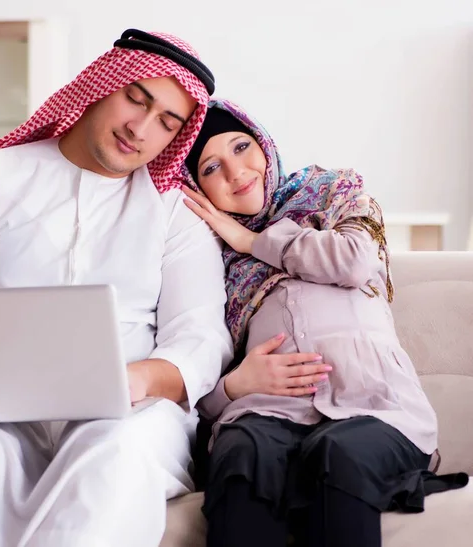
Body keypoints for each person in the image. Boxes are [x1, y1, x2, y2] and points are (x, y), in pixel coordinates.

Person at [0, 29, 234, 547]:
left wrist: (135, 380)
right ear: (100, 86)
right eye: (135, 98)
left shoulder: (175, 216)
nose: (140, 128)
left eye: (167, 122)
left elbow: (202, 340)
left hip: (128, 417)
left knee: (115, 452)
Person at [182, 100, 468, 547]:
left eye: (241, 147)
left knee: (338, 452)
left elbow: (354, 262)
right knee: (241, 451)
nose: (236, 172)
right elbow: (196, 366)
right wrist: (235, 386)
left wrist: (253, 240)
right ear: (197, 187)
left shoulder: (334, 194)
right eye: (211, 167)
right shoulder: (206, 257)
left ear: (264, 143)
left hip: (376, 409)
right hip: (265, 412)